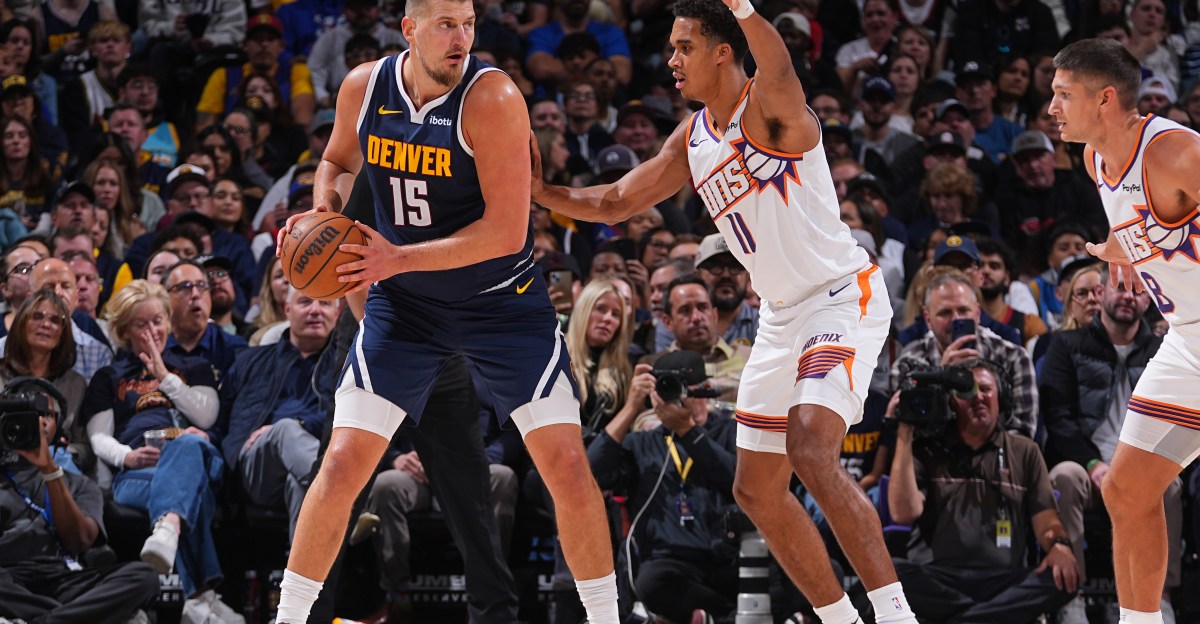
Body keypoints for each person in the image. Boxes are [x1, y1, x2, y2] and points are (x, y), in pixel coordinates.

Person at [531, 0, 919, 622]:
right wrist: (541, 191)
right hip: (781, 316)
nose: (671, 59)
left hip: (839, 297)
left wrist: (743, 8)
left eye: (683, 47)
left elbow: (780, 67)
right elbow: (615, 200)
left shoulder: (769, 108)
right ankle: (839, 617)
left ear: (722, 51)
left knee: (810, 450)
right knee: (755, 490)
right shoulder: (693, 137)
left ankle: (897, 615)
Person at [273, 0, 619, 620]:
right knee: (344, 461)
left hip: (500, 303)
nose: (462, 37)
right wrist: (324, 210)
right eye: (446, 25)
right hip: (407, 306)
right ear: (409, 29)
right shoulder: (364, 86)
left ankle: (607, 617)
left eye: (469, 23)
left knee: (568, 464)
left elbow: (506, 233)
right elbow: (339, 161)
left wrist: (395, 259)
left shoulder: (494, 99)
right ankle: (289, 617)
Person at [1049, 37, 1200, 623]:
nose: (1053, 108)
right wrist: (1122, 249)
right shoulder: (1096, 159)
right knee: (1126, 489)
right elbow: (1141, 220)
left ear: (1105, 99)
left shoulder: (1174, 152)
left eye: (1064, 95)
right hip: (1185, 340)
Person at [83, 279, 243, 623]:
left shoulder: (194, 366)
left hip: (196, 460)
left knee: (190, 442)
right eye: (141, 324)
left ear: (168, 322)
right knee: (188, 497)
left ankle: (169, 534)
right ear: (124, 331)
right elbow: (98, 437)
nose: (152, 331)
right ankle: (200, 599)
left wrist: (163, 375)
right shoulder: (109, 376)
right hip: (138, 472)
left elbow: (206, 416)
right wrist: (126, 457)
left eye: (158, 321)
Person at [888, 359, 1079, 622]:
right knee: (891, 574)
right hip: (939, 578)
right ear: (951, 402)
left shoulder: (1025, 451)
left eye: (986, 389)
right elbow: (903, 513)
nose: (978, 397)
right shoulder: (926, 448)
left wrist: (1059, 546)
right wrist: (904, 432)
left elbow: (1047, 522)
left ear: (1002, 397)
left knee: (1062, 578)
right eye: (967, 391)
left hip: (1002, 581)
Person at [587, 350, 739, 622]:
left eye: (685, 389)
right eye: (670, 389)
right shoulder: (643, 442)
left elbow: (738, 481)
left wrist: (689, 431)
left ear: (705, 390)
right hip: (672, 562)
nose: (679, 397)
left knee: (785, 574)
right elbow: (592, 474)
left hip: (727, 557)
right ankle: (723, 617)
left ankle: (713, 617)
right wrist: (631, 406)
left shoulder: (729, 431)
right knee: (651, 582)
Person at [0, 375, 159, 624]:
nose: (38, 422)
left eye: (46, 414)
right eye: (27, 414)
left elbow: (79, 541)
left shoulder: (80, 484)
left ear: (59, 425)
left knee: (144, 577)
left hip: (62, 578)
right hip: (6, 579)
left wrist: (49, 470)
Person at [216, 286, 338, 537]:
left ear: (337, 313)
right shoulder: (250, 361)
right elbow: (222, 417)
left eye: (325, 303)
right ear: (287, 309)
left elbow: (344, 418)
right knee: (284, 430)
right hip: (256, 466)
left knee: (301, 486)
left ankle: (303, 565)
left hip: (312, 459)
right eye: (305, 302)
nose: (315, 310)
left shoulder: (346, 366)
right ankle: (344, 503)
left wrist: (302, 423)